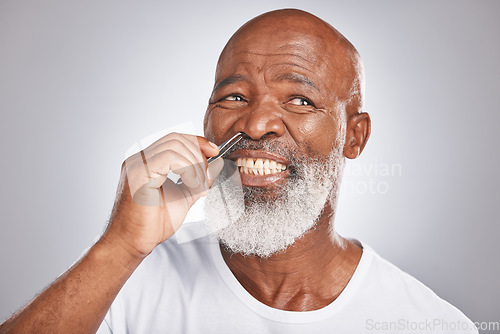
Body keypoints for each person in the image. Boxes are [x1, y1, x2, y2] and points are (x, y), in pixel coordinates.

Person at [0, 9, 477, 334]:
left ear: (355, 136)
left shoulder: (428, 322)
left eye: (299, 99)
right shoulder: (127, 281)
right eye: (234, 97)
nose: (255, 124)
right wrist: (120, 246)